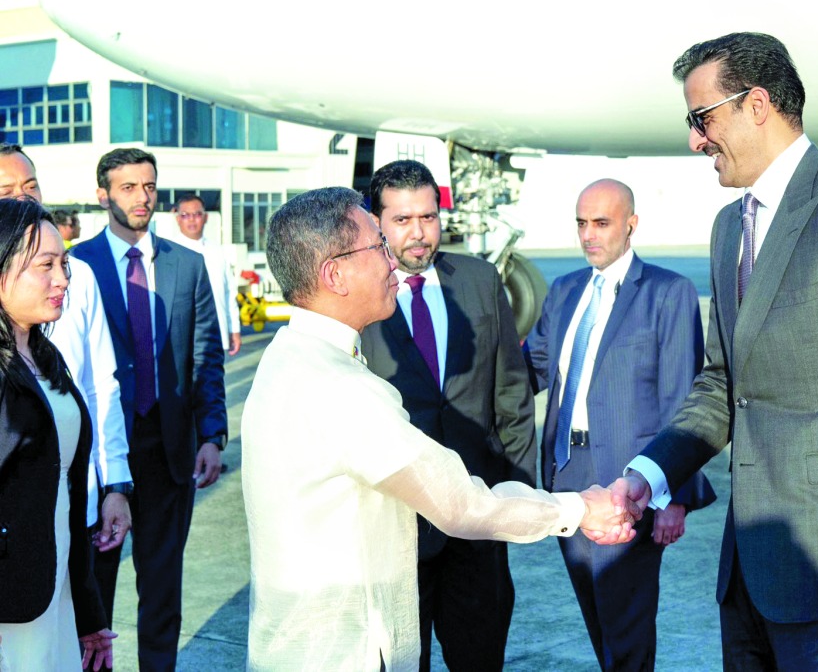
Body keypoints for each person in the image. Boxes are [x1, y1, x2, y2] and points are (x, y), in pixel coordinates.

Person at [608, 32, 818, 670]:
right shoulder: (728, 228)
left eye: (701, 119)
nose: (695, 141)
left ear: (756, 105)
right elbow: (722, 385)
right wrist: (647, 475)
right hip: (748, 574)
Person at [241, 186, 632, 671]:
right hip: (346, 652)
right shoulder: (342, 388)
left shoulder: (285, 356)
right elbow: (460, 505)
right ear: (334, 274)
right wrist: (580, 508)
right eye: (377, 246)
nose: (392, 261)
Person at [523, 178, 716, 671]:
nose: (589, 234)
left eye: (602, 223)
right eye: (581, 224)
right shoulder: (566, 291)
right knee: (597, 614)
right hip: (566, 473)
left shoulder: (668, 292)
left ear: (631, 225)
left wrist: (674, 498)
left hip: (629, 481)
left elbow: (684, 398)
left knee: (625, 623)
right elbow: (531, 369)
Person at [358, 160, 536, 671]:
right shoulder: (359, 294)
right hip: (395, 525)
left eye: (428, 218)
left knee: (480, 656)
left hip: (477, 517)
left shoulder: (480, 279)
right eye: (402, 220)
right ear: (376, 222)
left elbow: (511, 391)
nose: (418, 233)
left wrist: (517, 492)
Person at [72, 148, 227, 671]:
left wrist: (213, 434)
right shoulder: (76, 266)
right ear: (103, 196)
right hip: (100, 455)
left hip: (170, 450)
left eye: (149, 186)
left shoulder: (187, 264)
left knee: (162, 589)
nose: (142, 197)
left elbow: (205, 355)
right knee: (94, 590)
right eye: (128, 187)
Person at [0, 143, 132, 562]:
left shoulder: (79, 278)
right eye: (7, 190)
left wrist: (116, 485)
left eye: (31, 185)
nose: (24, 197)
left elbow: (101, 387)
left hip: (80, 507)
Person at [0, 198, 116, 671]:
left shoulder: (47, 358)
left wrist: (88, 611)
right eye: (45, 265)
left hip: (55, 591)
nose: (63, 279)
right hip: (10, 607)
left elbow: (65, 491)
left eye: (63, 263)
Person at [172, 194, 242, 356]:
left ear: (206, 217)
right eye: (185, 215)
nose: (191, 220)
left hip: (215, 335)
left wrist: (234, 329)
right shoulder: (169, 253)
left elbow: (229, 294)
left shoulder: (217, 252)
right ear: (177, 219)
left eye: (197, 214)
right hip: (180, 339)